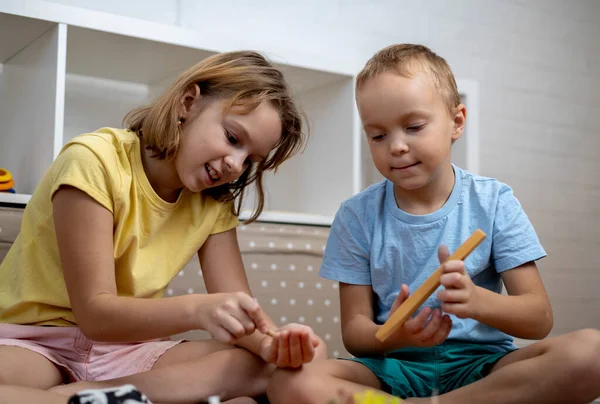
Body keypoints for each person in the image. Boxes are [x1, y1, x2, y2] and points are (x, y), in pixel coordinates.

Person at [266, 44, 600, 404]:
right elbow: (355, 333)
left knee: (591, 352)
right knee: (289, 384)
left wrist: (477, 301)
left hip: (483, 368)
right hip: (393, 368)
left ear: (456, 122)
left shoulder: (494, 201)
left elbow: (539, 319)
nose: (395, 146)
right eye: (377, 135)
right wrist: (397, 334)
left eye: (413, 127)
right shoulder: (355, 215)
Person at [0, 50, 326, 404]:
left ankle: (89, 396)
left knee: (286, 364)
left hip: (125, 353)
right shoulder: (93, 161)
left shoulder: (213, 203)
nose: (236, 164)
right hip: (34, 341)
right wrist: (198, 309)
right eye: (233, 138)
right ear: (188, 103)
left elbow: (242, 313)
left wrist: (275, 344)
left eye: (250, 159)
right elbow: (95, 315)